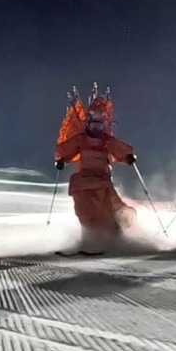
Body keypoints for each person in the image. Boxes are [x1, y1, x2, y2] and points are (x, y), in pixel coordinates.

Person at [54, 85, 138, 254]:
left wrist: (128, 157)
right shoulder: (81, 139)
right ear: (88, 124)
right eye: (93, 125)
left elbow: (120, 149)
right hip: (84, 182)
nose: (96, 129)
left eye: (99, 125)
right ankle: (88, 241)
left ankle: (112, 241)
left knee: (106, 211)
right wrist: (62, 160)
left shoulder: (107, 140)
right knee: (84, 212)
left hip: (101, 181)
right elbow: (67, 149)